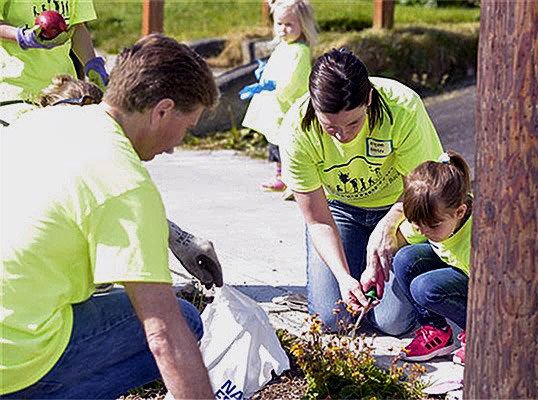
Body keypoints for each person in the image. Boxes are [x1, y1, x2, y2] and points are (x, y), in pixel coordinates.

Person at [0, 34, 219, 398]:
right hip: (13, 359)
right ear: (162, 110)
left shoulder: (36, 124)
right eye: (187, 126)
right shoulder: (125, 182)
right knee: (182, 320)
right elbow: (163, 335)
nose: (178, 143)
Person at [280, 48, 444, 332]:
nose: (344, 136)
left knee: (392, 323)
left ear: (368, 99)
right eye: (331, 128)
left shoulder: (403, 107)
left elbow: (426, 190)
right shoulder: (296, 129)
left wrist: (389, 226)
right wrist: (344, 278)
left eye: (353, 122)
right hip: (341, 211)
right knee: (333, 319)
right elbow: (317, 219)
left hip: (404, 209)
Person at [362, 151, 472, 364]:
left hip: (478, 283)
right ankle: (436, 330)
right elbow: (394, 245)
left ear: (460, 212)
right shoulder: (428, 222)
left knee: (425, 288)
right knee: (404, 259)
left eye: (431, 226)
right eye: (416, 224)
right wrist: (373, 270)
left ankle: (478, 333)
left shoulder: (477, 238)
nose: (422, 232)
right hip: (457, 269)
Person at [240, 0, 317, 192]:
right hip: (275, 107)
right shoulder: (284, 46)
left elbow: (295, 80)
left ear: (303, 25)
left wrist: (275, 86)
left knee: (287, 144)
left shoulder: (299, 51)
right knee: (275, 143)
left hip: (286, 106)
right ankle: (281, 176)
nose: (283, 29)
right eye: (279, 24)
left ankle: (293, 180)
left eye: (289, 24)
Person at [0, 0, 108, 105]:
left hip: (62, 91)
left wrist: (92, 63)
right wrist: (21, 36)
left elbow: (77, 27)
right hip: (16, 89)